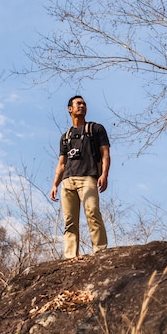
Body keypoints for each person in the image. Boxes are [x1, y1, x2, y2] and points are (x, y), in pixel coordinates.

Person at [50, 95, 110, 258]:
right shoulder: (66, 136)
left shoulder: (96, 129)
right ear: (70, 109)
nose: (82, 106)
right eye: (78, 103)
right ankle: (70, 256)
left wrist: (104, 174)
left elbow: (105, 154)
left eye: (84, 103)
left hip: (88, 177)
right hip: (67, 181)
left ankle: (100, 251)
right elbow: (62, 163)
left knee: (92, 212)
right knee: (69, 221)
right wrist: (55, 184)